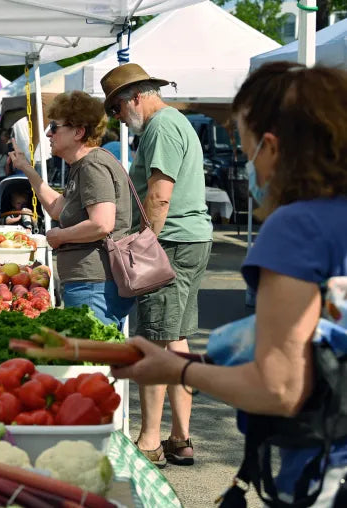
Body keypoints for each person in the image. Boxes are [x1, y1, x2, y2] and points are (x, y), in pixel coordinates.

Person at [112, 62, 347, 505]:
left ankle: (158, 438)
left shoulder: (297, 229)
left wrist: (179, 369)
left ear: (273, 147)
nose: (244, 160)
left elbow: (278, 387)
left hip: (326, 470)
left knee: (166, 335)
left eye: (245, 144)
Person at [102, 62, 213, 466]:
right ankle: (180, 439)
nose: (118, 118)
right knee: (176, 341)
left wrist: (142, 241)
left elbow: (160, 195)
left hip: (172, 243)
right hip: (189, 240)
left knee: (152, 342)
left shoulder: (162, 126)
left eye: (116, 109)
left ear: (134, 98)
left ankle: (150, 441)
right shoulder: (172, 123)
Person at [9, 91, 134, 328]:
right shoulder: (82, 166)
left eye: (54, 127)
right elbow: (58, 208)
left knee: (92, 359)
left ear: (78, 132)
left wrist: (59, 236)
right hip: (90, 282)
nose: (48, 133)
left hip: (94, 284)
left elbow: (102, 223)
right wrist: (27, 168)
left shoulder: (93, 165)